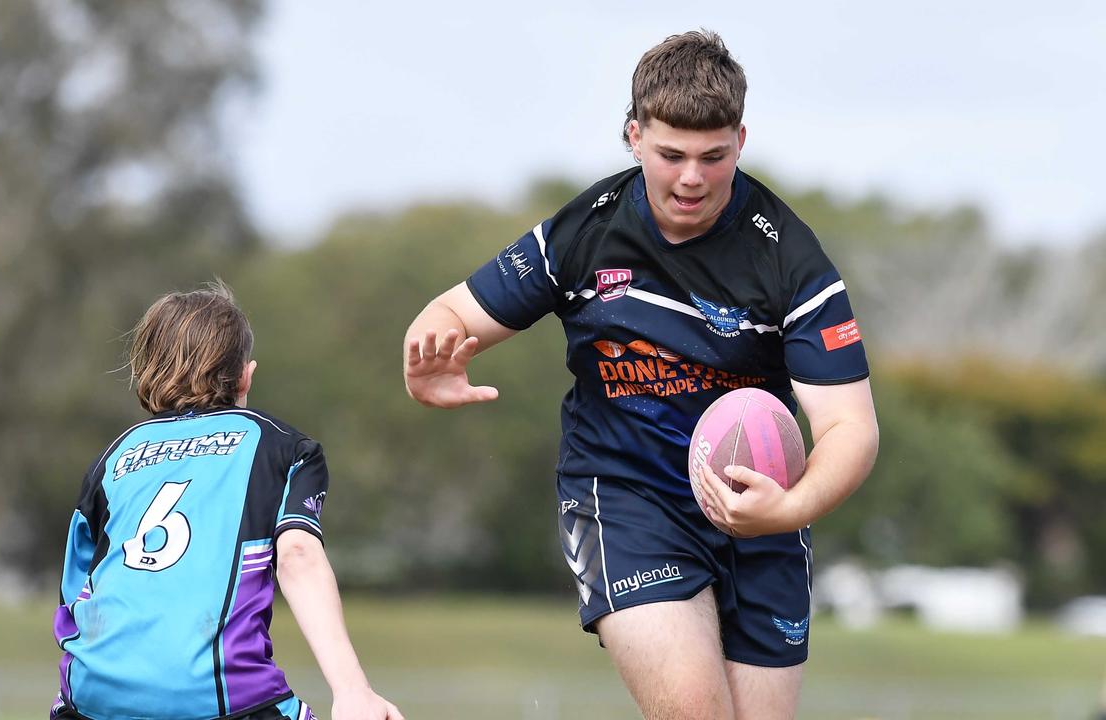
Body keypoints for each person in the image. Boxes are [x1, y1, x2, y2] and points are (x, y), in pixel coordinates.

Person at [402, 30, 878, 720]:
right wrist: (428, 362)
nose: (692, 178)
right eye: (671, 154)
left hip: (764, 508)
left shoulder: (791, 260)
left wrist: (789, 509)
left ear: (741, 140)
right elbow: (451, 313)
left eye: (714, 157)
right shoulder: (583, 233)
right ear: (633, 136)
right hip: (625, 497)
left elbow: (849, 428)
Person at [51, 283, 402, 720]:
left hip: (92, 700)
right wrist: (353, 691)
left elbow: (76, 591)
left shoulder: (112, 458)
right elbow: (297, 555)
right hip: (224, 700)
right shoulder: (284, 448)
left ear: (145, 372)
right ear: (245, 376)